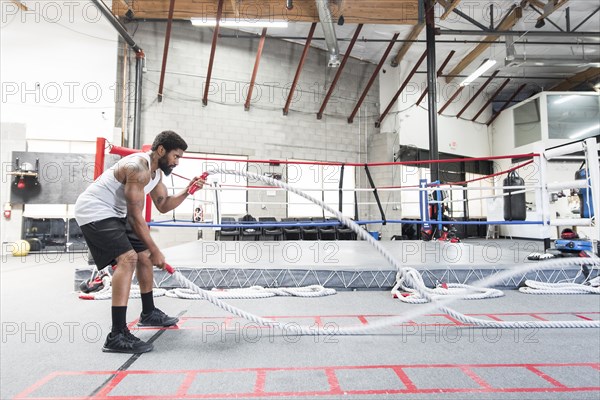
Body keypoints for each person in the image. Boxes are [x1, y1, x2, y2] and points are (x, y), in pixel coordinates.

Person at [75, 131, 204, 353]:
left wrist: (188, 191)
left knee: (143, 255)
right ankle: (116, 335)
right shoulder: (138, 168)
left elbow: (163, 204)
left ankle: (148, 312)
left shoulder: (155, 174)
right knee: (129, 258)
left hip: (115, 212)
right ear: (161, 150)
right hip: (94, 210)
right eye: (176, 156)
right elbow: (135, 217)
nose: (177, 162)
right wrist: (156, 251)